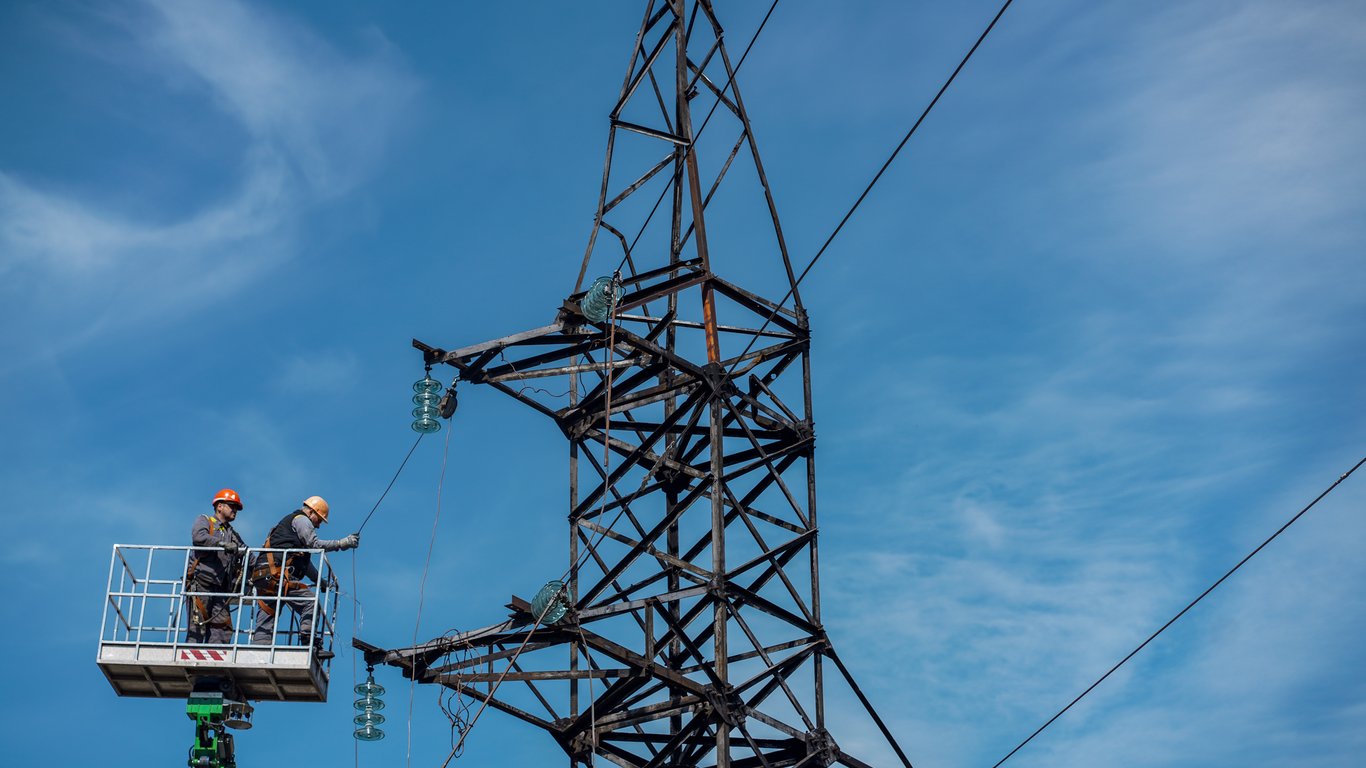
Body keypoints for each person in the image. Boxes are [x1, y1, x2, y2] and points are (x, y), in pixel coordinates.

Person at [250, 495, 358, 659]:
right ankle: (309, 646)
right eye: (319, 520)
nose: (318, 525)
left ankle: (258, 654)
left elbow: (304, 565)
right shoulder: (302, 520)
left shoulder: (289, 528)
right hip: (276, 575)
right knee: (309, 602)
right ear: (312, 512)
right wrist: (342, 543)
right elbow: (314, 544)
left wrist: (319, 581)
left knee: (267, 614)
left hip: (264, 576)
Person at [185, 488, 248, 644]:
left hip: (220, 589)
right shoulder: (205, 520)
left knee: (222, 630)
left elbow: (247, 554)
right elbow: (199, 537)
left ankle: (215, 665)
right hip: (201, 583)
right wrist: (221, 544)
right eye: (232, 506)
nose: (235, 510)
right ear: (219, 506)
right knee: (197, 628)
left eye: (236, 507)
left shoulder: (232, 534)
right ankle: (192, 664)